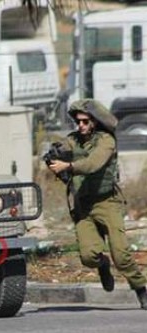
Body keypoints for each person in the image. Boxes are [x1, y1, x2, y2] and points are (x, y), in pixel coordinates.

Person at [48, 99, 147, 310]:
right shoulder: (74, 139)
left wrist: (69, 165)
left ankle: (140, 288)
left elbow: (93, 163)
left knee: (122, 256)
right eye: (78, 122)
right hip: (83, 205)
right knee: (88, 256)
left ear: (95, 121)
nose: (81, 126)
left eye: (85, 122)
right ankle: (102, 264)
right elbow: (64, 147)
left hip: (107, 202)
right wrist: (55, 154)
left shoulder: (106, 141)